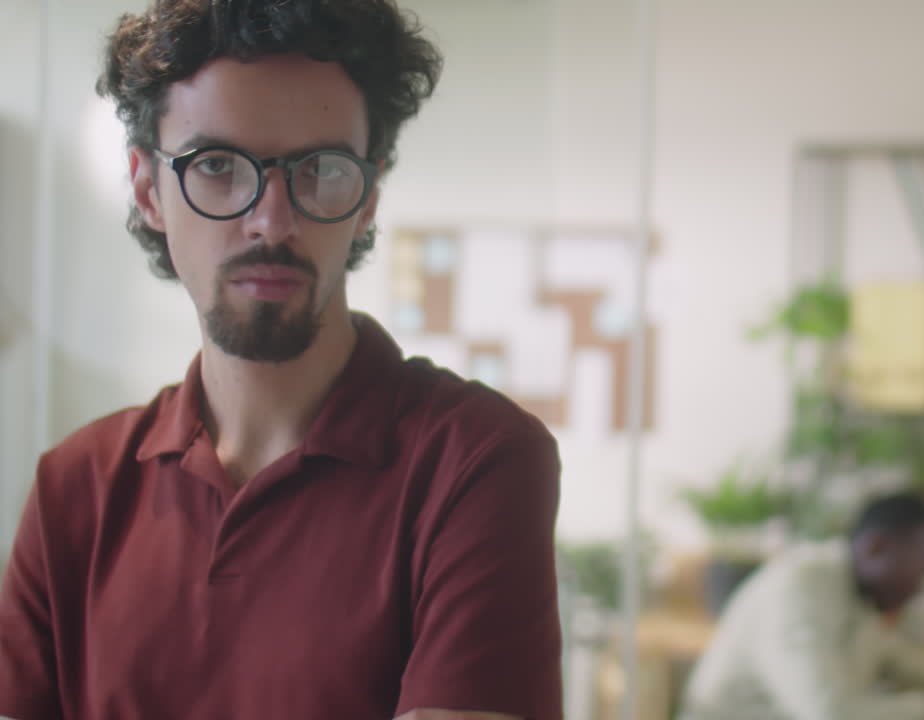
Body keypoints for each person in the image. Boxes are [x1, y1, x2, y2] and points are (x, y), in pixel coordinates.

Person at [0, 2, 562, 719]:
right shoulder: (73, 490)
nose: (271, 217)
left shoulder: (473, 462)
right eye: (217, 166)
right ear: (148, 191)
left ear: (367, 199)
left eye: (321, 169)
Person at [679, 493, 924, 720]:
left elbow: (899, 660)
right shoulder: (801, 588)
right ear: (876, 548)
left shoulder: (863, 596)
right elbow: (828, 713)